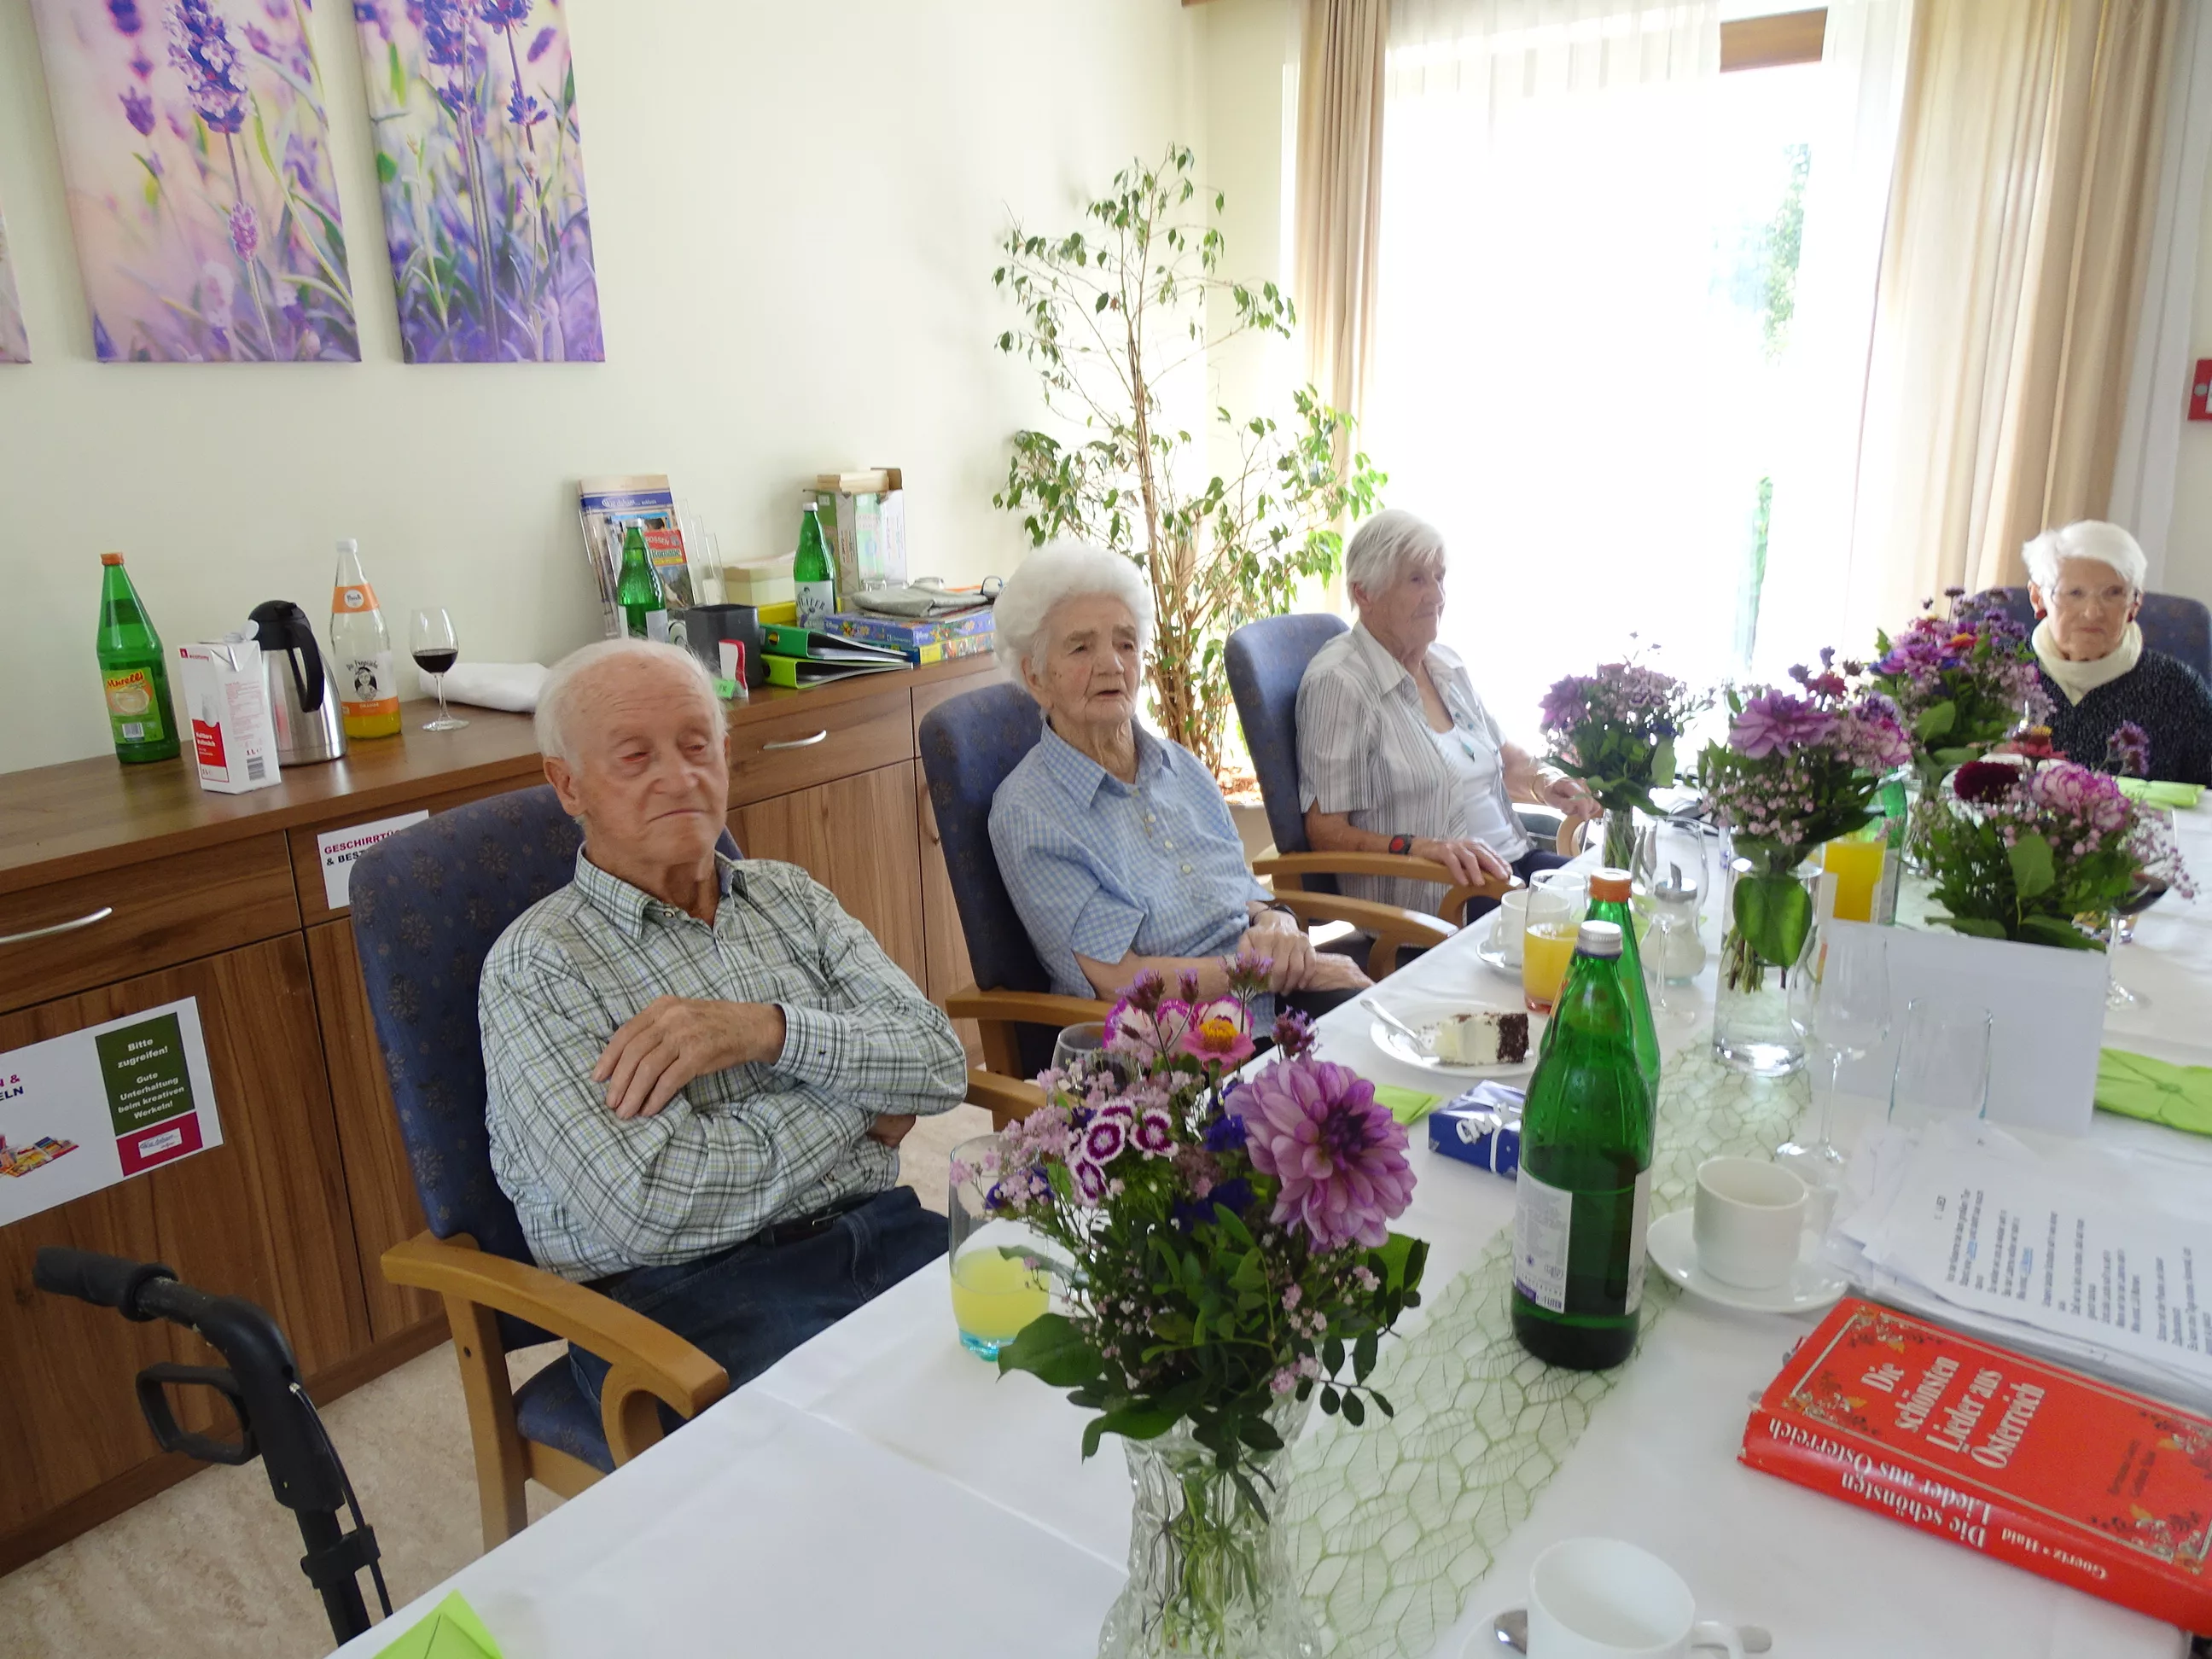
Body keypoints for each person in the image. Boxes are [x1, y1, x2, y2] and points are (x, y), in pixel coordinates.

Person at [480, 638, 966, 1407]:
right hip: (686, 1304)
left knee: (1070, 1360)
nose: (680, 777)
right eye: (635, 757)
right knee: (903, 1441)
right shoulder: (537, 967)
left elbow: (938, 1060)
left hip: (879, 1228)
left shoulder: (788, 897)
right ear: (567, 785)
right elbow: (651, 1205)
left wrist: (770, 1031)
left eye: (696, 745)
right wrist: (862, 1105)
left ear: (726, 755)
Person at [988, 540, 1371, 1014]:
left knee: (1403, 1026)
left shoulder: (1179, 766)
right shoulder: (1030, 813)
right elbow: (1123, 980)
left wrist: (1278, 922)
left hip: (1269, 1000)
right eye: (1081, 647)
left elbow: (1239, 892)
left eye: (1126, 644)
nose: (1112, 664)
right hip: (1177, 1035)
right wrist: (1269, 973)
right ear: (1036, 677)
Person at [1296, 509, 1599, 915]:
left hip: (1513, 867)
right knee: (1587, 934)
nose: (1437, 596)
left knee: (1620, 900)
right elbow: (1325, 831)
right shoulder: (1340, 683)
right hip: (1439, 896)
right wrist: (1420, 847)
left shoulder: (1446, 665)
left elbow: (1506, 762)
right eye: (1416, 580)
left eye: (1439, 578)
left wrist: (1547, 782)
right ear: (1364, 593)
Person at [2023, 521, 2212, 786]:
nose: (2092, 612)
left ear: (2135, 602)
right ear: (2037, 597)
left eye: (2113, 594)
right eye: (2074, 593)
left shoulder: (2178, 687)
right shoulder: (1998, 674)